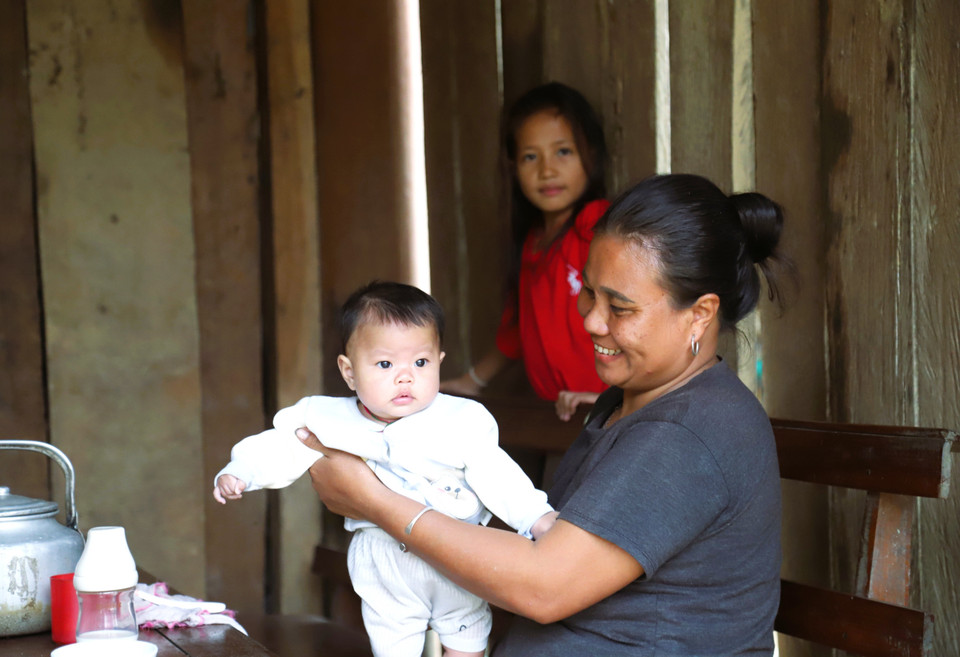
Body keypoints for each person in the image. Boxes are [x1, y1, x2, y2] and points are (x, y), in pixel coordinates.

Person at [297, 174, 791, 655]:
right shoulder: (629, 404)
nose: (592, 320)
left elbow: (544, 586)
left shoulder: (692, 431)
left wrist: (373, 500)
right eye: (589, 292)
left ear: (700, 314)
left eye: (619, 308)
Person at [213, 281, 557, 657]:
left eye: (421, 363)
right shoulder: (327, 417)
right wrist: (241, 471)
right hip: (383, 563)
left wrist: (536, 517)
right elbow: (280, 445)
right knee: (393, 643)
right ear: (349, 372)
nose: (405, 376)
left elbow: (498, 474)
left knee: (466, 639)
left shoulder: (461, 420)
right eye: (385, 364)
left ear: (439, 362)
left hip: (457, 552)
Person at [441, 82, 610, 421]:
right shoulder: (532, 242)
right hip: (559, 418)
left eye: (563, 151)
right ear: (513, 167)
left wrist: (615, 398)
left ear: (591, 153)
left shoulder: (597, 224)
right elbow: (516, 332)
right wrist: (472, 381)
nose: (547, 170)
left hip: (609, 415)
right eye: (530, 156)